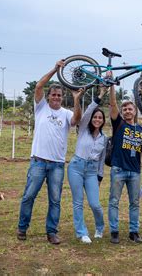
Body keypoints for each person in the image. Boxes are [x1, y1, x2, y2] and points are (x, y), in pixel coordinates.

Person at [17, 60, 84, 245]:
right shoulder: (40, 108)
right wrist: (56, 69)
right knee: (29, 195)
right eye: (53, 94)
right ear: (48, 96)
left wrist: (77, 99)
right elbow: (39, 85)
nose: (56, 97)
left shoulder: (66, 113)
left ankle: (52, 232)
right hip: (38, 162)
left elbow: (77, 120)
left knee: (55, 200)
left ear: (62, 97)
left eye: (59, 95)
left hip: (57, 164)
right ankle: (22, 228)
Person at [108, 82, 142, 244]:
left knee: (134, 203)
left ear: (135, 112)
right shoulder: (118, 124)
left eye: (130, 109)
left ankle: (134, 232)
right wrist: (112, 85)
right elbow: (112, 104)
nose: (127, 111)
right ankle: (114, 231)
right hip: (118, 169)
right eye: (124, 109)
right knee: (114, 201)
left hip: (135, 172)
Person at [67, 87, 108, 244]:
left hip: (92, 171)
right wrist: (100, 95)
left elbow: (101, 160)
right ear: (91, 119)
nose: (97, 119)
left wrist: (99, 177)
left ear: (103, 121)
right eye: (95, 117)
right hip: (76, 167)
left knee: (95, 204)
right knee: (78, 202)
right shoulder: (83, 129)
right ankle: (81, 232)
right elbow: (89, 110)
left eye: (100, 118)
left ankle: (99, 227)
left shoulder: (104, 139)